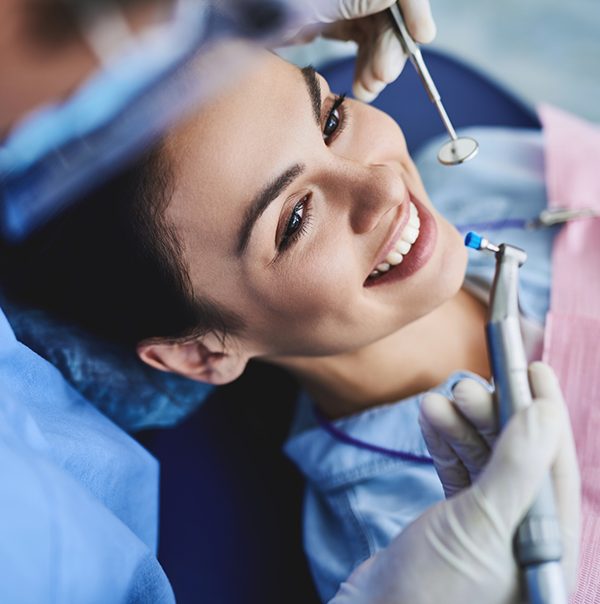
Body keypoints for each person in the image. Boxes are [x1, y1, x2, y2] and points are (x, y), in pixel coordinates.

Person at [0, 40, 581, 604]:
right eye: (296, 218)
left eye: (329, 121)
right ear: (201, 353)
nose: (382, 185)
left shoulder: (501, 176)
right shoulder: (400, 551)